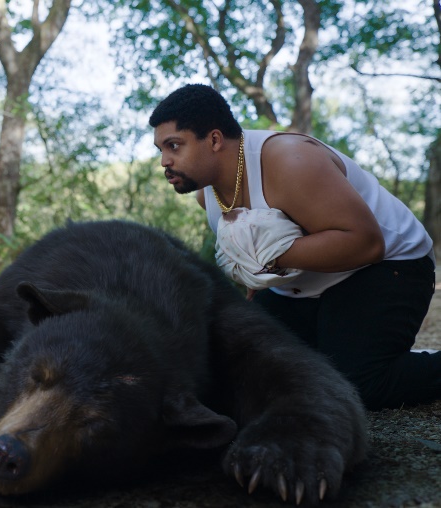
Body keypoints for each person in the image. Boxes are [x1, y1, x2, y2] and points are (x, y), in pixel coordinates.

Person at [149, 83, 440, 410]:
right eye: (161, 149)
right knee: (241, 369)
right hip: (300, 288)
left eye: (174, 146)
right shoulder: (208, 194)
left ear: (214, 139)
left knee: (359, 384)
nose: (164, 161)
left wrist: (268, 256)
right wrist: (252, 280)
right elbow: (251, 261)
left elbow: (366, 243)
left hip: (387, 266)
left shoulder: (290, 160)